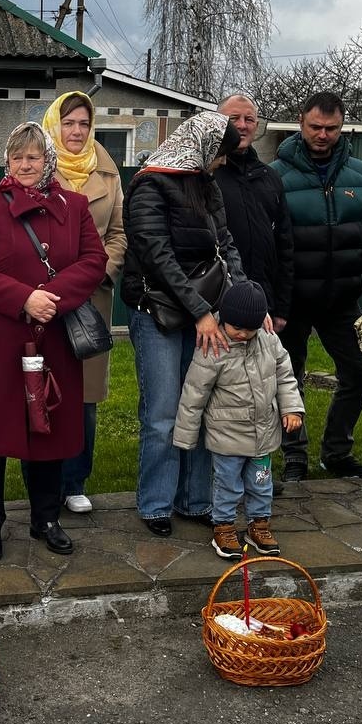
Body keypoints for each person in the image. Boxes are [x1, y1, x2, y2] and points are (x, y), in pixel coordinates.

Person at [0, 122, 107, 562]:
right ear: (8, 161)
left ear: (47, 162)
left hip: (53, 339)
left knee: (49, 430)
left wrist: (51, 301)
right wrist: (25, 298)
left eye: (34, 157)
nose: (25, 164)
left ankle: (46, 518)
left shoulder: (74, 206)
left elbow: (94, 260)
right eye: (17, 157)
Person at [120, 111, 248, 537]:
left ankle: (194, 500)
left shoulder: (205, 183)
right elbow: (158, 258)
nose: (224, 162)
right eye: (222, 154)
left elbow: (223, 244)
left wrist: (246, 299)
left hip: (203, 314)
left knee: (200, 406)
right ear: (205, 146)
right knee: (162, 413)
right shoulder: (148, 186)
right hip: (157, 310)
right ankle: (156, 503)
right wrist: (201, 312)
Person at [271, 92, 362, 482]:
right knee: (290, 378)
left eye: (332, 128)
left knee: (358, 374)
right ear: (300, 123)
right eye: (315, 127)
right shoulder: (276, 175)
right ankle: (294, 455)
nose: (323, 135)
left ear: (343, 127)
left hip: (342, 299)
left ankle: (337, 453)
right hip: (292, 300)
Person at [173, 281, 304, 559]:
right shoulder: (213, 347)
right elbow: (194, 393)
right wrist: (186, 435)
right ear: (225, 321)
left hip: (263, 435)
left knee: (261, 483)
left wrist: (291, 408)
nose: (243, 335)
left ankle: (259, 524)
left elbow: (285, 376)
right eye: (237, 329)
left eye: (250, 329)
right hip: (227, 438)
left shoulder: (268, 340)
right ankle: (224, 526)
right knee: (228, 485)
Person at [42, 91, 126, 514]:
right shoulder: (37, 165)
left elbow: (118, 233)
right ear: (55, 124)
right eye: (69, 123)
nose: (76, 132)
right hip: (45, 297)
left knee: (85, 396)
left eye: (84, 124)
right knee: (43, 386)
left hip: (91, 298)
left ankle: (74, 481)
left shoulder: (108, 174)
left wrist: (96, 272)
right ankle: (43, 481)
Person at [216, 94, 294, 324]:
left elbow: (285, 244)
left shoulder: (270, 177)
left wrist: (281, 307)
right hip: (217, 301)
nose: (241, 125)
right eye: (233, 119)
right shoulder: (204, 176)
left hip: (264, 303)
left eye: (249, 119)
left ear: (257, 126)